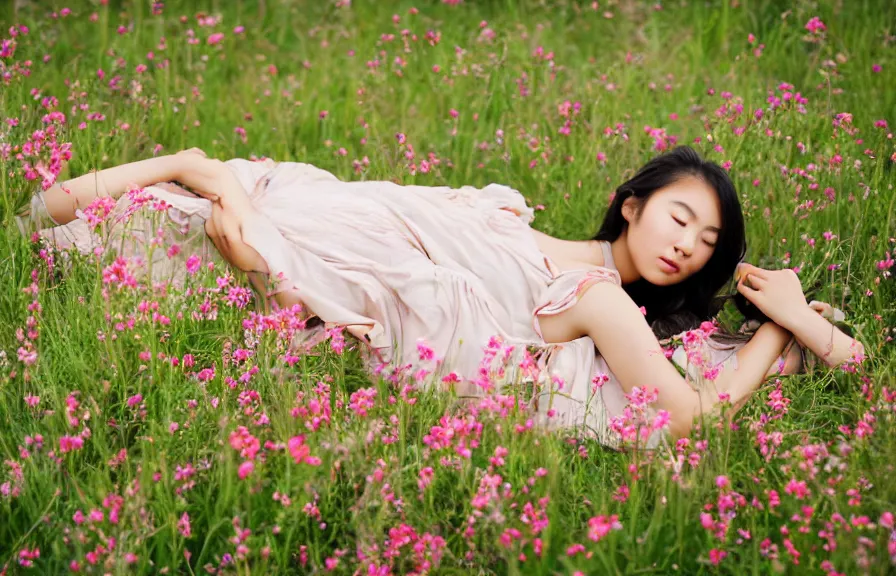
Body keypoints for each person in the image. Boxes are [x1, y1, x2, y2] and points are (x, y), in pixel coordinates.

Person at [20, 146, 865, 448]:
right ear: (634, 203)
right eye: (682, 218)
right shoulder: (545, 253)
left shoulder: (604, 302)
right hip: (374, 238)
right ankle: (190, 173)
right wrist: (774, 331)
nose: (688, 246)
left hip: (375, 270)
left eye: (709, 244)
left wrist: (784, 314)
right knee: (233, 228)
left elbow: (846, 356)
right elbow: (690, 420)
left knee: (144, 241)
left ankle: (189, 175)